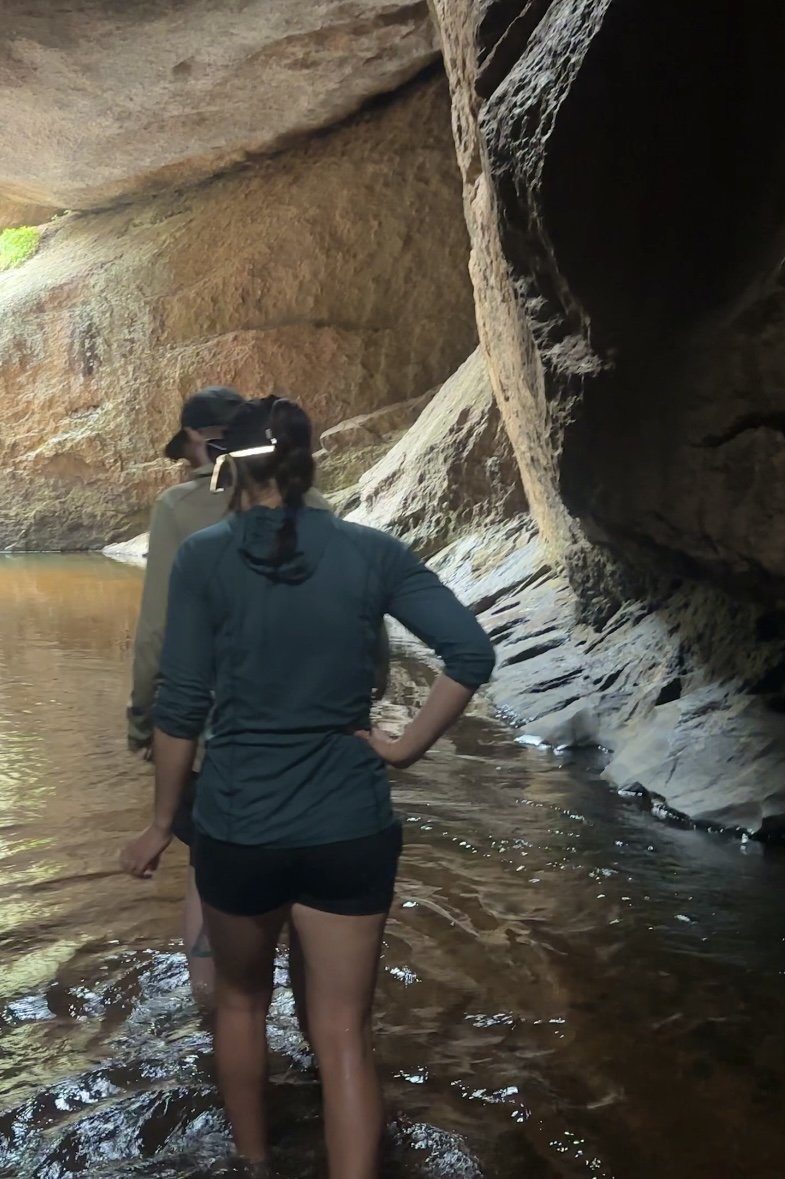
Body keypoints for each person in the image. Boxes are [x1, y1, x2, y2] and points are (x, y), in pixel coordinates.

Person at [119, 396, 494, 1178]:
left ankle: (255, 1165)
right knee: (345, 1034)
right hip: (349, 825)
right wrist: (402, 749)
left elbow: (180, 703)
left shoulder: (204, 557)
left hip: (238, 825)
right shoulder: (370, 552)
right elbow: (469, 651)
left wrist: (161, 823)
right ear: (307, 464)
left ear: (228, 468)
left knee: (239, 1005)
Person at [127, 387, 377, 1014]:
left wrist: (142, 720)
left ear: (197, 445)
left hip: (216, 740)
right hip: (312, 739)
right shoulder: (315, 505)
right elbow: (362, 633)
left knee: (207, 873)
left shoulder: (180, 509)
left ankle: (218, 1017)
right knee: (308, 898)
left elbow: (156, 632)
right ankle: (317, 1034)